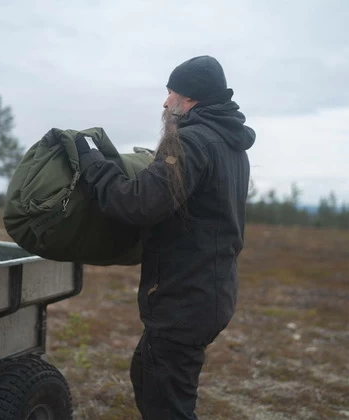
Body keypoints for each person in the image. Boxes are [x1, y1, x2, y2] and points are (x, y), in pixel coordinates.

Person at [74, 55, 256, 419]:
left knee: (167, 404)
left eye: (171, 93)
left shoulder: (190, 142)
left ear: (189, 98)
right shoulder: (229, 144)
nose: (165, 102)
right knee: (147, 375)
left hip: (185, 298)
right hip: (207, 291)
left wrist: (93, 166)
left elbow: (139, 204)